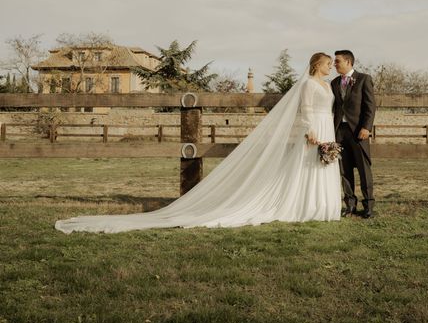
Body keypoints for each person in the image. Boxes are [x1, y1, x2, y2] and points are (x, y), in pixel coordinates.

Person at [55, 53, 341, 233]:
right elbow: (303, 110)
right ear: (317, 64)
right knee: (304, 167)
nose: (331, 68)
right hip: (314, 128)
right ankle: (305, 205)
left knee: (322, 167)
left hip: (326, 125)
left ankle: (322, 206)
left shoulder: (328, 85)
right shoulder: (307, 84)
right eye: (329, 64)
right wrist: (307, 131)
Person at [331, 50, 376, 218]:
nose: (334, 64)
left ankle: (369, 205)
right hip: (339, 132)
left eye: (337, 61)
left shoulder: (364, 79)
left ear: (348, 62)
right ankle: (350, 205)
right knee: (344, 170)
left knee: (364, 170)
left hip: (358, 131)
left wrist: (366, 127)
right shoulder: (334, 83)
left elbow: (370, 106)